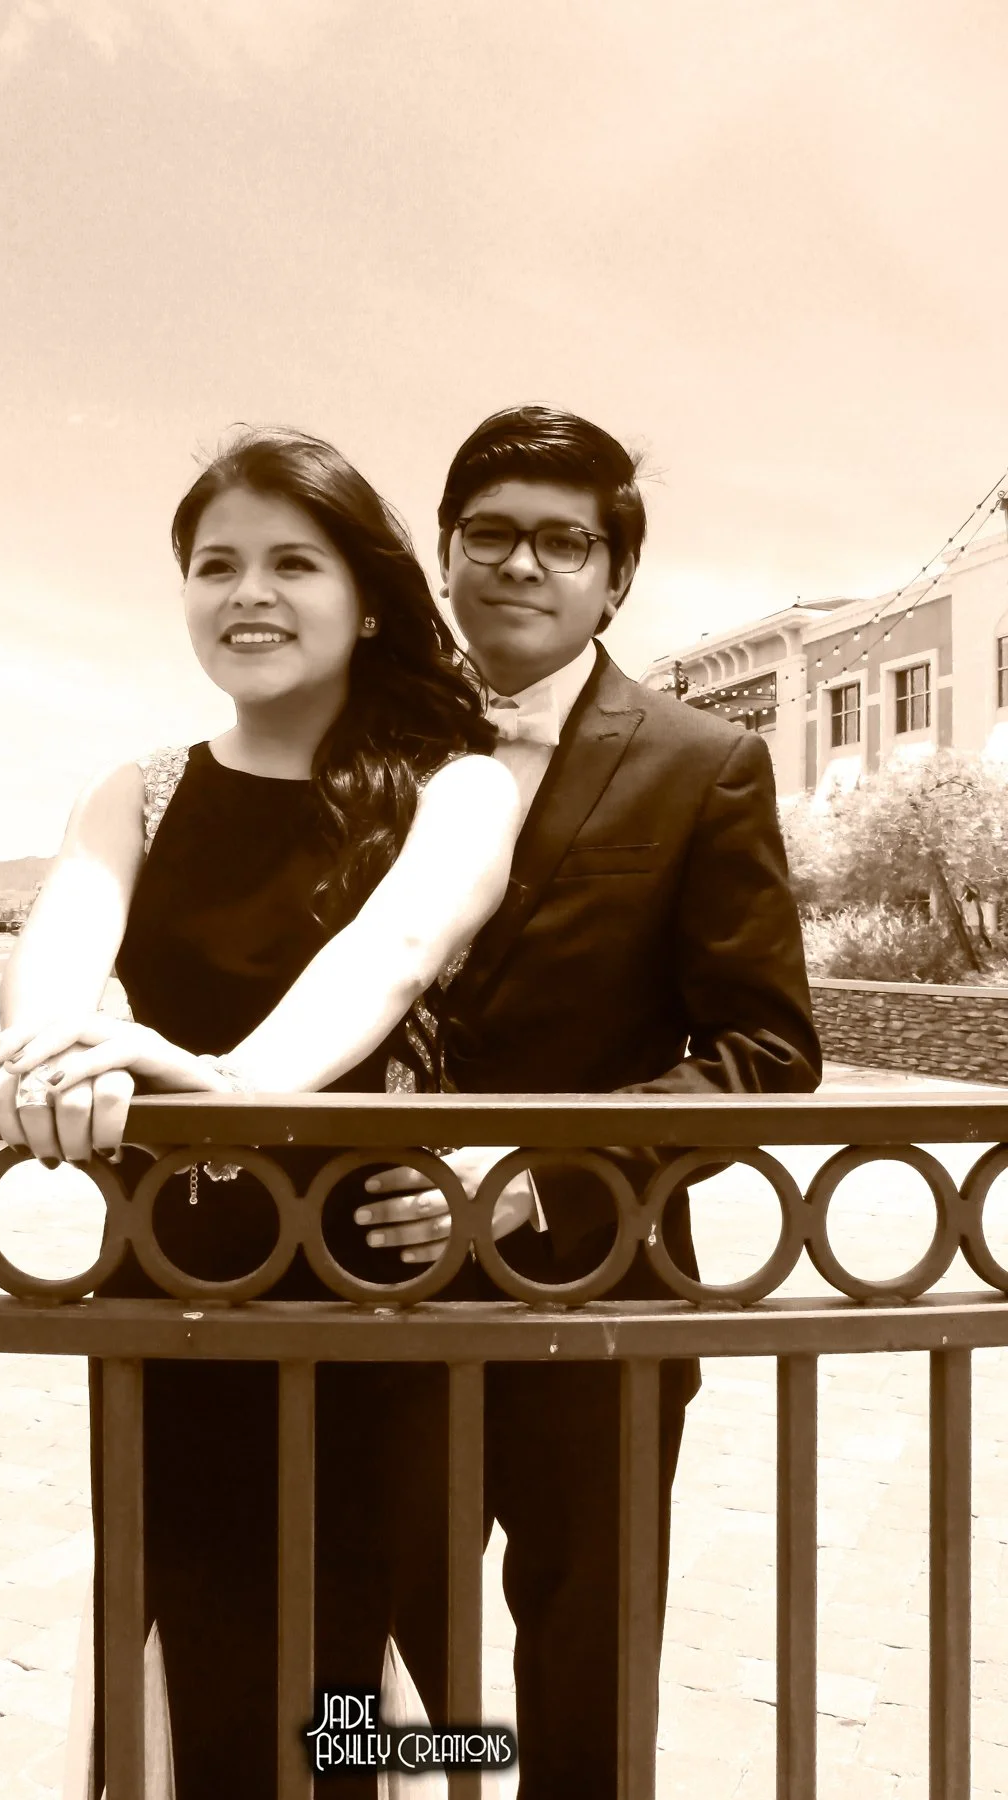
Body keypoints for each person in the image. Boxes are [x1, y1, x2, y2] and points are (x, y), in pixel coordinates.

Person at [0, 426, 523, 1797]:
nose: (248, 593)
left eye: (293, 560)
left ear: (369, 596)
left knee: (356, 1662)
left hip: (374, 1293)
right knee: (185, 1632)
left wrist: (220, 1085)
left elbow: (388, 956)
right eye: (215, 564)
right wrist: (43, 1054)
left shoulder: (456, 787)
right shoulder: (139, 790)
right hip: (166, 1286)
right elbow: (60, 946)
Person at [354, 405, 822, 1798]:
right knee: (368, 1649)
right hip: (358, 1283)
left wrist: (524, 1161)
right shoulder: (360, 743)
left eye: (568, 542)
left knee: (584, 1653)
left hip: (598, 1291)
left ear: (616, 576)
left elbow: (763, 1048)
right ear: (442, 557)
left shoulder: (700, 765)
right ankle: (450, 1778)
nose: (523, 565)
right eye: (490, 535)